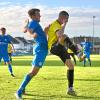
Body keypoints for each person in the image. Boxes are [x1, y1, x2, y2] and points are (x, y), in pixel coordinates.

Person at [15, 8, 48, 100]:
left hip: (42, 49)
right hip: (40, 49)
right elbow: (29, 32)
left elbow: (25, 30)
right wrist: (31, 35)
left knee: (33, 72)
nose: (40, 16)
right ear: (33, 16)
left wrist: (45, 31)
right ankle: (19, 91)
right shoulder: (34, 22)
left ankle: (23, 88)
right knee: (33, 72)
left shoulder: (35, 23)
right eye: (38, 14)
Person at [44, 11, 78, 96]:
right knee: (64, 36)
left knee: (71, 66)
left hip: (60, 47)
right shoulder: (55, 24)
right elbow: (59, 35)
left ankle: (70, 89)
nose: (67, 21)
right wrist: (64, 24)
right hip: (54, 47)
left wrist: (63, 25)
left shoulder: (58, 25)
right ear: (63, 17)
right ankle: (78, 53)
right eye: (66, 19)